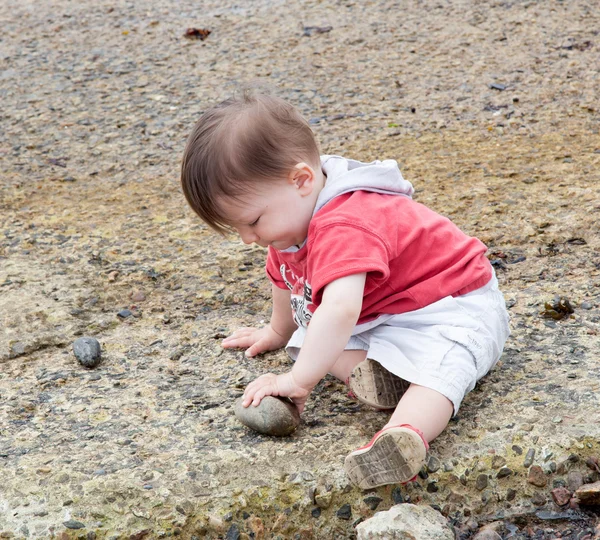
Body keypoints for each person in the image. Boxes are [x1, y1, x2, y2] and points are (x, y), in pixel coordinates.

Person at [180, 92, 511, 489]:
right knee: (307, 336)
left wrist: (297, 382)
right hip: (386, 310)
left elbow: (339, 310)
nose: (247, 239)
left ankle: (403, 436)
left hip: (454, 304)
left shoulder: (345, 223)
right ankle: (382, 376)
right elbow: (286, 280)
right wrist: (277, 331)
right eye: (237, 228)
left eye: (251, 222)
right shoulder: (291, 218)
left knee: (443, 369)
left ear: (302, 180)